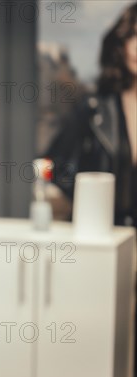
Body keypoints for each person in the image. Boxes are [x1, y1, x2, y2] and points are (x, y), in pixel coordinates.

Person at [46, 2, 137, 227]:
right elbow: (54, 164)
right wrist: (90, 203)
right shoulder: (95, 107)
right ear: (121, 44)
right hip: (107, 234)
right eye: (133, 34)